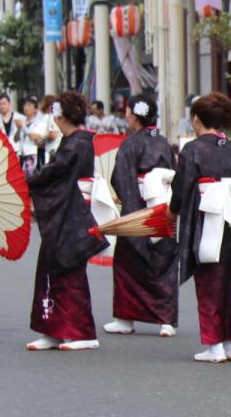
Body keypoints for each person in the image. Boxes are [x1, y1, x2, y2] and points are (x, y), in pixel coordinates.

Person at [170, 92, 231, 362]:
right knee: (230, 280)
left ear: (196, 120)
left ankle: (214, 346)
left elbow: (182, 186)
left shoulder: (193, 149)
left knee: (209, 280)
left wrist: (172, 210)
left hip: (207, 219)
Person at [24, 91, 108, 352]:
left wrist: (26, 181)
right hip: (67, 212)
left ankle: (83, 332)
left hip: (70, 214)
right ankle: (54, 330)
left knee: (70, 274)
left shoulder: (76, 144)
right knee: (53, 271)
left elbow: (52, 173)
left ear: (61, 116)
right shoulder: (77, 141)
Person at [104, 95, 179, 339]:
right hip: (164, 206)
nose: (125, 115)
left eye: (126, 111)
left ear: (134, 115)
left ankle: (125, 319)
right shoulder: (164, 143)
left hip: (140, 206)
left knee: (128, 262)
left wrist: (132, 210)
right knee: (164, 263)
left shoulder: (131, 144)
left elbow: (121, 179)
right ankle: (166, 320)